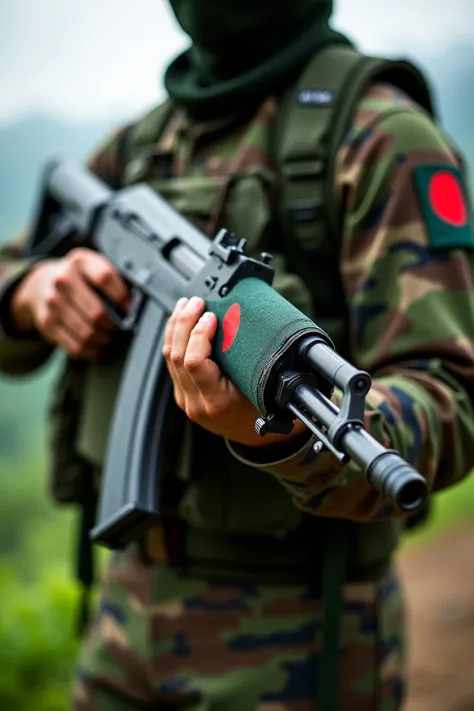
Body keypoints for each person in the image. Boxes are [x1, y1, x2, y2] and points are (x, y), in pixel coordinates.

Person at [1, 1, 474, 709]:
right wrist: (34, 292)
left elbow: (451, 401)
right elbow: (14, 277)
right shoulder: (146, 143)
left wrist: (282, 434)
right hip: (123, 613)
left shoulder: (383, 137)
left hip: (299, 639)